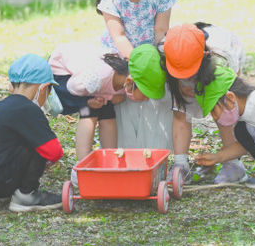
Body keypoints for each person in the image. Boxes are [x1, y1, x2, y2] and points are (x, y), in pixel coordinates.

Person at [95, 0, 177, 151]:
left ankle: (155, 151)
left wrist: (149, 63)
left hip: (151, 55)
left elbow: (161, 30)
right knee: (126, 106)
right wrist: (136, 62)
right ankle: (127, 153)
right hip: (122, 57)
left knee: (153, 102)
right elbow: (118, 36)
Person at [48, 43, 166, 185]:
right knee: (89, 112)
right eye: (146, 93)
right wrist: (98, 99)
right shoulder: (97, 77)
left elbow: (111, 95)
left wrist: (106, 99)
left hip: (88, 83)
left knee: (108, 113)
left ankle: (110, 162)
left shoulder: (124, 77)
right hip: (63, 77)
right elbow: (74, 88)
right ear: (130, 82)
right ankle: (81, 168)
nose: (147, 98)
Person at [0, 54, 64, 212]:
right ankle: (26, 196)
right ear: (43, 88)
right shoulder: (30, 110)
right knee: (38, 144)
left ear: (12, 86)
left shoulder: (1, 106)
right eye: (49, 92)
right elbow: (55, 151)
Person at [162, 22, 247, 184]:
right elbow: (180, 117)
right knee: (180, 111)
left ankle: (233, 164)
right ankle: (181, 164)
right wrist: (182, 85)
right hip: (190, 59)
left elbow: (228, 114)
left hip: (217, 67)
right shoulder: (172, 52)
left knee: (223, 112)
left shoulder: (221, 60)